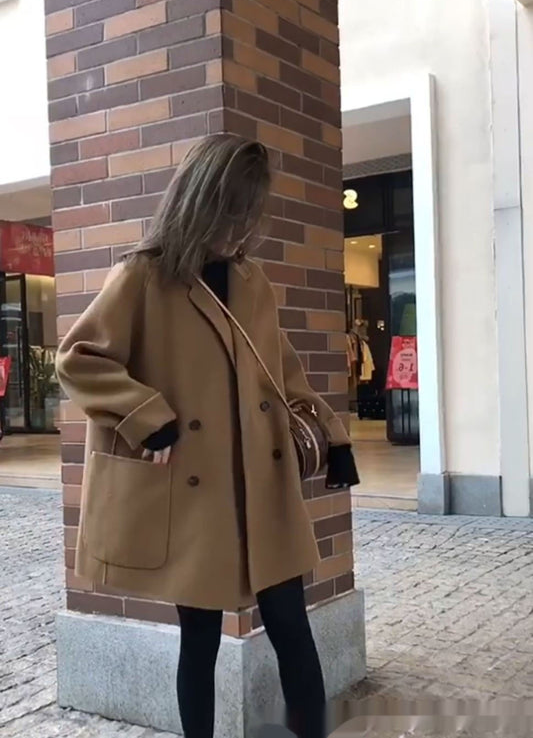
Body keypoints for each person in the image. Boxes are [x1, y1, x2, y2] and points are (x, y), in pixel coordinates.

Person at [56, 134, 359, 738]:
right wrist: (147, 416)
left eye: (250, 213)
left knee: (292, 628)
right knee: (199, 639)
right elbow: (79, 358)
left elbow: (282, 372)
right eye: (232, 211)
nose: (242, 228)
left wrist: (334, 435)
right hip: (196, 495)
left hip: (262, 487)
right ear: (200, 201)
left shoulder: (251, 281)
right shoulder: (143, 276)